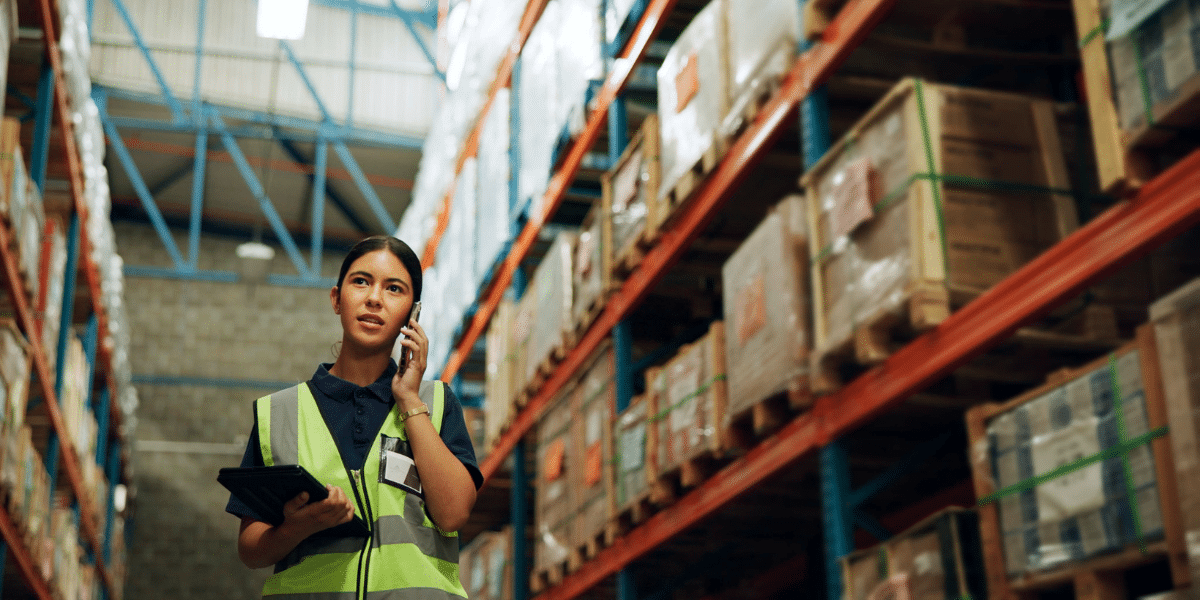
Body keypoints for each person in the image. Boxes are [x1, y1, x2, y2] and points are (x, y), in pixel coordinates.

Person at [225, 235, 481, 599]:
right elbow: (250, 549)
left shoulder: (436, 404)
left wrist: (408, 398)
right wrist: (296, 528)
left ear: (413, 314)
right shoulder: (279, 413)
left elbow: (454, 513)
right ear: (336, 299)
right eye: (361, 281)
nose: (374, 298)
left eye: (394, 288)